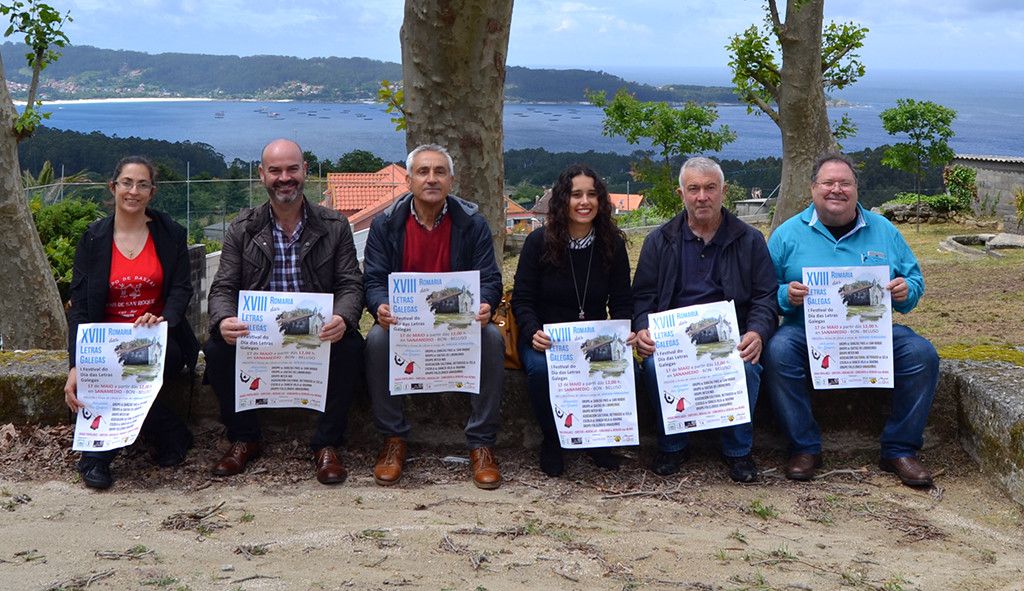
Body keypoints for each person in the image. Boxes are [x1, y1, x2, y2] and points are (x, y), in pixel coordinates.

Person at [763, 152, 939, 487]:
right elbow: (763, 292)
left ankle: (899, 449)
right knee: (778, 351)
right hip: (806, 333)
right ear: (813, 189)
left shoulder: (884, 230)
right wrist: (786, 295)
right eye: (828, 182)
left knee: (921, 355)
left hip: (872, 332)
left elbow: (915, 281)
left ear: (856, 189)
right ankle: (805, 448)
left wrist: (905, 291)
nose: (837, 190)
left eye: (845, 183)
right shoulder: (787, 235)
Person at [204, 139, 364, 485]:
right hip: (260, 336)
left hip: (317, 335)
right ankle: (244, 437)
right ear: (262, 175)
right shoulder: (242, 228)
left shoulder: (335, 226)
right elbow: (223, 288)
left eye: (292, 169)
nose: (284, 177)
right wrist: (223, 320)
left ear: (306, 170)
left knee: (351, 346)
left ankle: (327, 444)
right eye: (275, 170)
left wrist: (344, 318)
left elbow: (352, 285)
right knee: (216, 347)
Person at [363, 144, 504, 489]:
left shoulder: (472, 224)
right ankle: (393, 439)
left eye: (439, 172)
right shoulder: (385, 225)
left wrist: (486, 303)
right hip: (405, 327)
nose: (431, 179)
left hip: (457, 327)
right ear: (409, 180)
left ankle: (481, 443)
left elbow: (490, 278)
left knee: (492, 338)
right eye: (423, 172)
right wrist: (380, 305)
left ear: (451, 180)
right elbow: (373, 278)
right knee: (377, 340)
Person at [633, 157, 777, 482]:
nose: (702, 196)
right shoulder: (659, 241)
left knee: (747, 366)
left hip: (731, 339)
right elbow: (642, 296)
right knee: (655, 367)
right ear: (681, 193)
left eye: (710, 188)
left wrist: (757, 332)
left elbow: (765, 297)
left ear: (723, 191)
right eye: (694, 189)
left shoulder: (750, 239)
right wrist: (642, 328)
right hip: (675, 344)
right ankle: (673, 446)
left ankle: (738, 451)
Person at [64, 156, 200, 490]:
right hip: (106, 342)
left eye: (142, 184)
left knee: (133, 367)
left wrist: (163, 318)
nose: (133, 191)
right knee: (103, 374)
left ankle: (96, 457)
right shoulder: (93, 240)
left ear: (152, 192)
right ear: (113, 187)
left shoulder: (170, 234)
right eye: (126, 182)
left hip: (159, 339)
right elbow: (79, 308)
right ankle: (170, 432)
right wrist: (75, 365)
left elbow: (183, 288)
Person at [511, 164, 635, 476]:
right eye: (576, 194)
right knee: (540, 371)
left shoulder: (613, 244)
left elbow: (621, 300)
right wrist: (532, 330)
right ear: (562, 200)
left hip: (593, 338)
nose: (584, 202)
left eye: (592, 194)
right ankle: (553, 439)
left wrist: (623, 330)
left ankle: (599, 441)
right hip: (546, 339)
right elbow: (522, 299)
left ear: (601, 200)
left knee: (620, 365)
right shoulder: (538, 242)